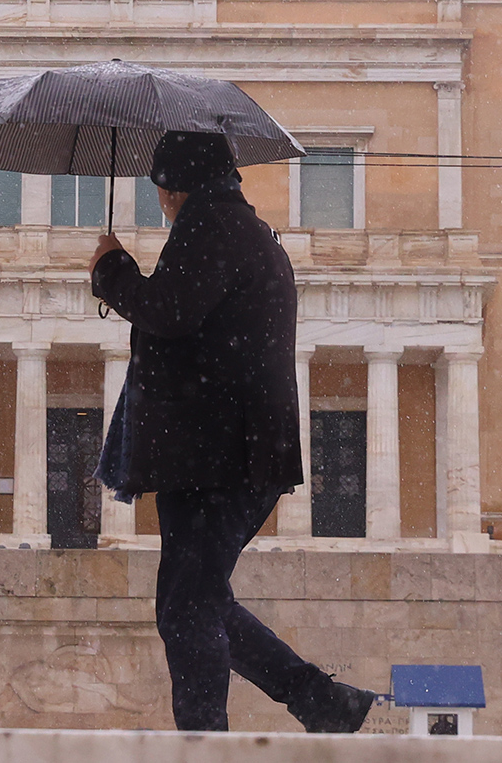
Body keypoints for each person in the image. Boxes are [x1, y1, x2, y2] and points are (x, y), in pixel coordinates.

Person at [88, 131, 376, 733]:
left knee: (186, 609)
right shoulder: (249, 231)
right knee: (200, 599)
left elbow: (168, 311)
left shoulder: (210, 226)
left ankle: (207, 741)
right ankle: (322, 701)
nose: (161, 200)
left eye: (160, 189)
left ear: (172, 188)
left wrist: (111, 269)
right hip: (240, 451)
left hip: (213, 455)